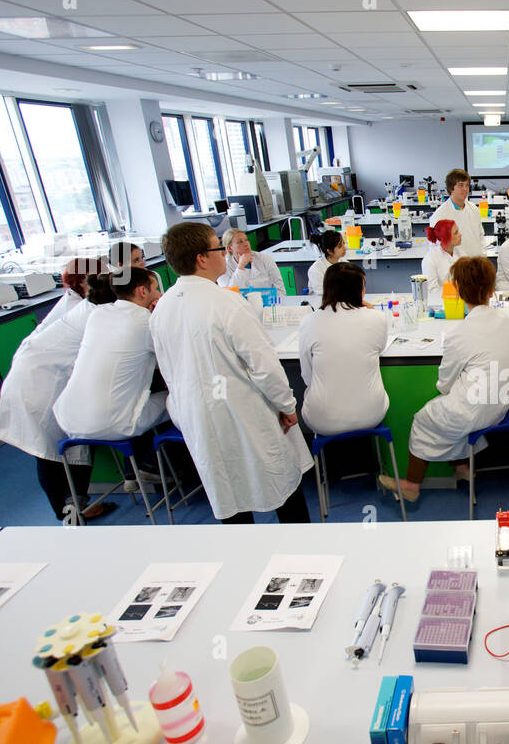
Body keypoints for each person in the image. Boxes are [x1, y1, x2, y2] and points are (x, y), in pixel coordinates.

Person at [150, 222, 314, 524]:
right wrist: (287, 406)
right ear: (201, 258)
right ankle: (300, 545)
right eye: (218, 248)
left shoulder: (163, 307)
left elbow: (169, 370)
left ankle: (242, 550)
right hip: (243, 412)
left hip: (198, 417)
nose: (224, 254)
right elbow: (264, 366)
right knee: (283, 486)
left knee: (228, 493)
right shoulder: (226, 302)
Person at [378, 257, 509, 503]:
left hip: (474, 412)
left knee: (425, 419)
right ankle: (462, 467)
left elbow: (444, 384)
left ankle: (411, 485)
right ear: (491, 289)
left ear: (459, 291)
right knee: (453, 414)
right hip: (499, 408)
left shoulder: (460, 333)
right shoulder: (508, 322)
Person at [0, 267, 118, 522]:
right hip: (39, 386)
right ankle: (69, 511)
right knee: (49, 452)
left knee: (63, 449)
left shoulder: (87, 308)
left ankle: (76, 506)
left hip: (42, 377)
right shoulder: (95, 316)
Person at [53, 267, 167, 451]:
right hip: (113, 423)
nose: (159, 294)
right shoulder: (145, 321)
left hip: (69, 419)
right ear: (142, 291)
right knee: (177, 398)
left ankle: (143, 464)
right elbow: (174, 356)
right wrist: (160, 314)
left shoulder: (99, 313)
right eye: (155, 289)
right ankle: (158, 462)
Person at [297, 261, 389, 436]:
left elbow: (307, 376)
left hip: (323, 419)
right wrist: (370, 310)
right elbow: (380, 347)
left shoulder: (309, 322)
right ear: (358, 290)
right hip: (371, 414)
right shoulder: (377, 318)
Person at [31, 255, 106, 339]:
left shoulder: (74, 295)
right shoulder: (76, 306)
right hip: (45, 344)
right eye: (101, 277)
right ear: (83, 281)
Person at [429, 168, 485, 256]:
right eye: (461, 185)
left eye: (467, 185)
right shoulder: (440, 215)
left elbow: (481, 236)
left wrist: (483, 256)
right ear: (451, 188)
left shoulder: (473, 208)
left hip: (476, 261)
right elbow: (436, 248)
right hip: (454, 263)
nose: (465, 189)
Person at [218, 228, 286, 294]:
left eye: (246, 240)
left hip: (268, 300)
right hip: (240, 302)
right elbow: (230, 295)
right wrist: (241, 266)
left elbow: (280, 289)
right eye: (240, 242)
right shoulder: (223, 267)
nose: (246, 244)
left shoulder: (264, 258)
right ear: (229, 248)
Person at [423, 219, 459, 295]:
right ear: (446, 237)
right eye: (456, 233)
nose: (460, 235)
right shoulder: (430, 259)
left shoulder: (461, 254)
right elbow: (433, 290)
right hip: (440, 300)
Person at [306, 229, 346, 295]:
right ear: (329, 251)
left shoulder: (344, 262)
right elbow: (322, 294)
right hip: (321, 300)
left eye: (343, 244)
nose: (344, 248)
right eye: (340, 246)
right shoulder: (316, 269)